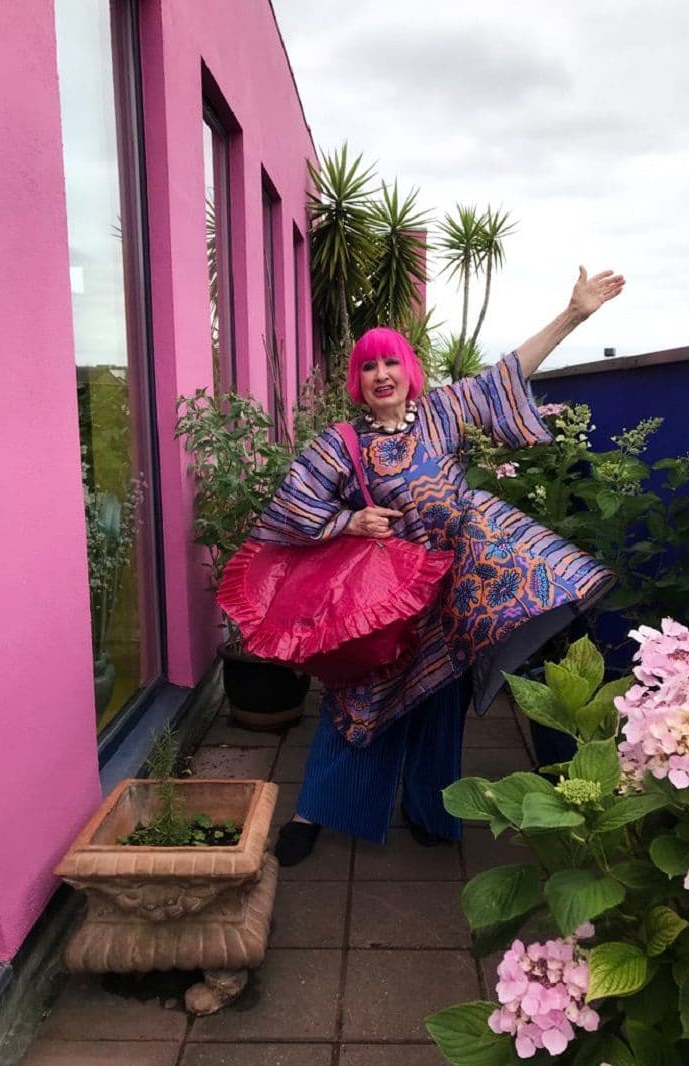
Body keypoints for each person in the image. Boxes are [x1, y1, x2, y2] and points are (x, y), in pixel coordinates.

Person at [251, 266, 625, 865]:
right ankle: (313, 809)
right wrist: (348, 522)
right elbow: (287, 509)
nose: (382, 375)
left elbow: (506, 373)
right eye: (369, 366)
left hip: (450, 591)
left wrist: (573, 313)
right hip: (382, 598)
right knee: (357, 704)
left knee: (439, 705)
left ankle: (430, 807)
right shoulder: (338, 444)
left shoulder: (441, 414)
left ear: (409, 371)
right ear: (358, 379)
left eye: (391, 363)